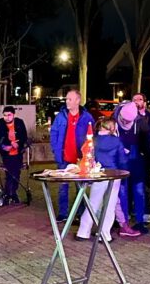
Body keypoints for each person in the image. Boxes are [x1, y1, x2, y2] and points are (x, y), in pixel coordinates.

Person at [76, 117, 129, 242]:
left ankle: (83, 232)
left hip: (97, 174)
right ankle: (104, 235)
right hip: (114, 175)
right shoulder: (116, 141)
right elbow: (122, 160)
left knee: (93, 203)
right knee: (109, 206)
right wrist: (125, 173)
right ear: (112, 127)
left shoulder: (93, 139)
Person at [49, 90, 95, 221]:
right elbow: (54, 133)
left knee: (80, 188)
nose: (67, 101)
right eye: (67, 99)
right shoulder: (61, 116)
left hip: (80, 159)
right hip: (63, 157)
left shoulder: (87, 117)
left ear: (77, 100)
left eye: (70, 99)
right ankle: (63, 213)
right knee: (63, 187)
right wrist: (55, 149)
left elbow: (91, 136)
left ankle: (79, 214)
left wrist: (88, 155)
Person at [114, 102, 145, 235]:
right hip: (120, 164)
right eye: (124, 120)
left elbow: (146, 141)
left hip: (136, 161)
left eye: (128, 121)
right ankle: (124, 222)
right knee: (122, 193)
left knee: (139, 192)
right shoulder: (113, 121)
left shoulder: (141, 124)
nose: (126, 123)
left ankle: (140, 221)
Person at [0, 106, 29, 203]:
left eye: (9, 115)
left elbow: (24, 136)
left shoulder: (19, 123)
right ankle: (9, 193)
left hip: (18, 152)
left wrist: (17, 144)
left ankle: (13, 192)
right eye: (5, 115)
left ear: (13, 115)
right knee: (10, 173)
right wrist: (9, 144)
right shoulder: (0, 123)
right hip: (7, 153)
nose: (7, 117)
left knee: (16, 173)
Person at [131, 92, 150, 222]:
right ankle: (131, 207)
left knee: (145, 183)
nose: (136, 102)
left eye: (139, 99)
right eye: (134, 100)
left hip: (146, 156)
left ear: (144, 102)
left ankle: (146, 209)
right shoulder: (128, 116)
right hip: (131, 154)